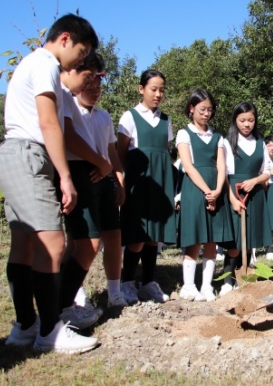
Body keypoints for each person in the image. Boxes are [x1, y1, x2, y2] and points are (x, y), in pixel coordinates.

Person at [0, 13, 99, 353]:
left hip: (12, 154)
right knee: (53, 244)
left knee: (24, 244)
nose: (82, 60)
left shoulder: (32, 64)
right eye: (82, 53)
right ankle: (51, 331)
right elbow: (49, 122)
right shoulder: (45, 64)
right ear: (65, 38)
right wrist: (65, 177)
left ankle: (26, 326)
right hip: (28, 153)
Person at [56, 51, 112, 329]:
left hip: (90, 172)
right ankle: (62, 306)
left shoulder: (98, 113)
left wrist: (105, 166)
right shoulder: (65, 97)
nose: (92, 84)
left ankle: (59, 303)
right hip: (78, 170)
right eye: (89, 78)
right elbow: (68, 138)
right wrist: (100, 162)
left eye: (96, 80)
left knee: (81, 243)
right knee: (88, 243)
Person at [117, 69, 175, 304]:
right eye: (153, 89)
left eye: (162, 89)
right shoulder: (129, 117)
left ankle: (148, 282)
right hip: (138, 183)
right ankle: (127, 282)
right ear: (141, 89)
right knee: (137, 235)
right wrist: (120, 181)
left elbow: (164, 153)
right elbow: (120, 154)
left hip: (160, 182)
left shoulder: (165, 119)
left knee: (154, 236)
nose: (158, 94)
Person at [75, 61, 128, 308]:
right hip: (83, 178)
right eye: (90, 85)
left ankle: (114, 292)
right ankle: (76, 291)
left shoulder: (104, 116)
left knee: (114, 237)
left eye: (99, 86)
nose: (95, 90)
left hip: (106, 180)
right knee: (82, 240)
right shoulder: (71, 113)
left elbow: (112, 152)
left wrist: (119, 181)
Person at [176, 89, 233, 301]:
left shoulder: (217, 137)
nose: (206, 114)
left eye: (209, 110)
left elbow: (221, 165)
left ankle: (207, 286)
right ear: (191, 109)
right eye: (202, 109)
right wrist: (206, 191)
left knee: (211, 239)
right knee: (195, 237)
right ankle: (189, 286)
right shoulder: (184, 133)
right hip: (194, 189)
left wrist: (217, 191)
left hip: (215, 190)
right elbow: (188, 166)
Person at [220, 102, 272, 296]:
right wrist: (233, 199)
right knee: (234, 242)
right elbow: (223, 174)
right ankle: (227, 281)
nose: (247, 124)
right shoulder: (227, 143)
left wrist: (255, 181)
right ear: (235, 120)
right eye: (242, 120)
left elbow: (267, 171)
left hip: (255, 194)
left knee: (250, 240)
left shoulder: (260, 143)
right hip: (234, 192)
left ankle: (246, 279)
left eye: (251, 120)